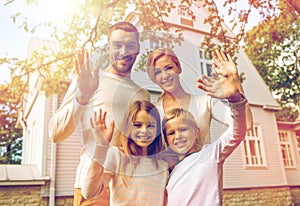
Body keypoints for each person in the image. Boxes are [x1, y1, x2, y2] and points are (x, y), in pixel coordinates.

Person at [48, 22, 150, 206]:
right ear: (107, 47)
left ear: (138, 50)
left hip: (131, 188)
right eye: (117, 45)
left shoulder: (143, 95)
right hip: (94, 185)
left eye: (130, 46)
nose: (124, 51)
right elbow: (55, 133)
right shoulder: (90, 81)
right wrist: (82, 97)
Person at [162, 71, 248, 205]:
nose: (178, 136)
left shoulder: (210, 155)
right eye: (171, 133)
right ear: (167, 140)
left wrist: (235, 100)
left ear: (196, 132)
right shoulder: (170, 175)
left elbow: (236, 132)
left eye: (183, 129)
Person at [146, 48, 253, 146]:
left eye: (169, 68)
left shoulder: (205, 102)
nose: (165, 76)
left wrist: (234, 81)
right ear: (153, 78)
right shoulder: (152, 112)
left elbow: (246, 124)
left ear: (178, 68)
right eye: (158, 72)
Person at [81, 100, 169, 205]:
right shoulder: (117, 156)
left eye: (150, 125)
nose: (144, 130)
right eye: (137, 125)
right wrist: (101, 147)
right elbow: (89, 192)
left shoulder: (163, 164)